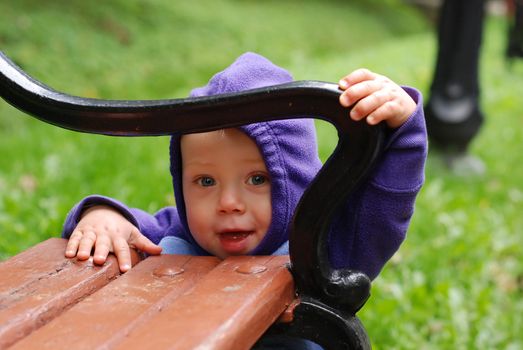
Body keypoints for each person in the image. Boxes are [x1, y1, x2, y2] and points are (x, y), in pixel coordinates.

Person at [62, 52, 427, 285]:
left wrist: (404, 129)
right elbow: (125, 227)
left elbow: (383, 211)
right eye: (205, 181)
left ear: (297, 180)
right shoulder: (175, 238)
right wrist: (99, 214)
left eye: (258, 179)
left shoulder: (324, 245)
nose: (229, 203)